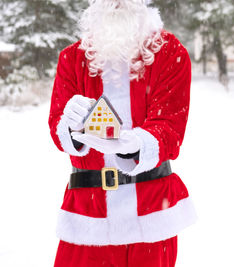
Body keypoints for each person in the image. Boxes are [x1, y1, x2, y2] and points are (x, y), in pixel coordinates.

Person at [48, 0, 197, 266]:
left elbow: (170, 126)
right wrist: (70, 125)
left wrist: (136, 145)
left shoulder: (169, 52)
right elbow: (58, 125)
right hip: (87, 217)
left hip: (152, 217)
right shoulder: (72, 58)